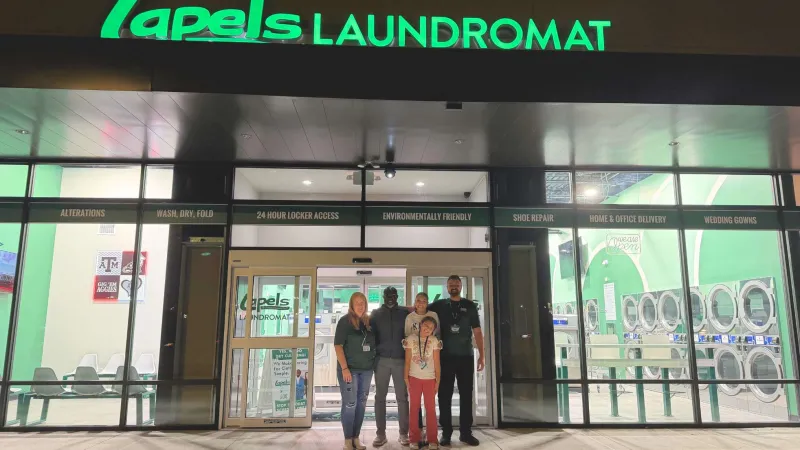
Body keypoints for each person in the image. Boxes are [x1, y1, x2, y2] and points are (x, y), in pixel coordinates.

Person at [426, 275, 484, 447]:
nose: (453, 286)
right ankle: (446, 433)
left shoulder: (470, 306)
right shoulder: (439, 305)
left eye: (456, 284)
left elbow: (478, 332)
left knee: (466, 395)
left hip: (466, 357)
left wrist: (482, 355)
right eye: (451, 284)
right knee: (445, 396)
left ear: (461, 286)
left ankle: (466, 433)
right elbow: (419, 309)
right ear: (447, 286)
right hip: (445, 358)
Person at [334, 292, 376, 450]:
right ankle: (347, 439)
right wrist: (344, 368)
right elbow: (338, 346)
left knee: (361, 403)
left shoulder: (368, 321)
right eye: (357, 303)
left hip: (366, 370)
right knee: (350, 403)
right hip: (349, 370)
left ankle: (356, 438)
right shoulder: (344, 322)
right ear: (351, 305)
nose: (360, 305)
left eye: (362, 302)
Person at [370, 286, 410, 447]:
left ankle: (403, 433)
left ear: (397, 296)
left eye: (393, 295)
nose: (390, 298)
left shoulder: (405, 313)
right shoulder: (375, 314)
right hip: (381, 361)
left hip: (401, 361)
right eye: (387, 295)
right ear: (383, 296)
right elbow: (370, 335)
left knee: (402, 398)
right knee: (380, 398)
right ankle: (380, 434)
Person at [405, 292, 440, 447]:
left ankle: (432, 439)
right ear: (419, 325)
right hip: (414, 377)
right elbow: (407, 361)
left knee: (431, 410)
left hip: (430, 379)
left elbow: (437, 363)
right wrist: (406, 378)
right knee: (414, 409)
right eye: (425, 326)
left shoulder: (434, 341)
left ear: (433, 330)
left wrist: (437, 381)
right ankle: (413, 438)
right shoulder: (411, 340)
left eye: (430, 328)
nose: (427, 329)